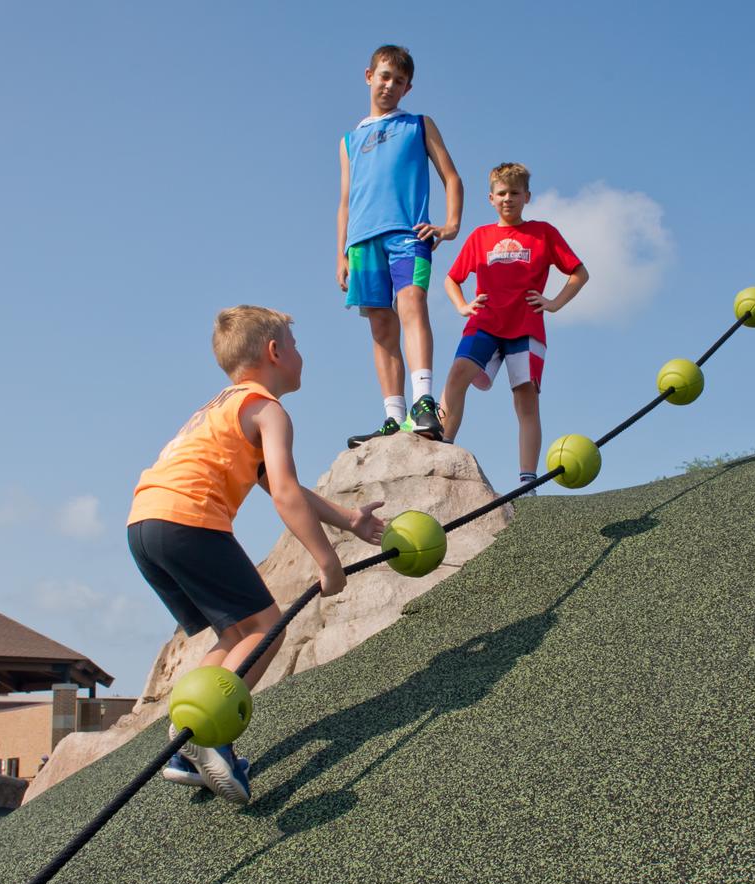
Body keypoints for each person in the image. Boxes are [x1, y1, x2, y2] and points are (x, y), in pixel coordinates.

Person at [128, 306, 387, 804]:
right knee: (270, 627)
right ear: (274, 352)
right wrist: (327, 560)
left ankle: (184, 743)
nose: (300, 355)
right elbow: (286, 494)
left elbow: (281, 487)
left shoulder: (223, 408)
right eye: (294, 344)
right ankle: (210, 734)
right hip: (189, 519)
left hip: (145, 522)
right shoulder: (268, 409)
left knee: (235, 632)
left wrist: (349, 518)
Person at [337, 44, 463, 447]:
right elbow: (345, 199)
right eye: (384, 76)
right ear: (368, 75)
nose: (389, 85)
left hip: (409, 234)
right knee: (379, 325)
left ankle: (423, 402)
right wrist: (340, 253)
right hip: (362, 241)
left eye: (399, 81)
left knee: (412, 304)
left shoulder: (419, 125)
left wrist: (450, 225)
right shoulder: (349, 139)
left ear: (408, 88)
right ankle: (393, 417)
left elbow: (452, 177)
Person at [439, 162, 589, 486]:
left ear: (527, 197)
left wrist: (554, 303)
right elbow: (452, 278)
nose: (508, 198)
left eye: (515, 193)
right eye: (502, 193)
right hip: (485, 321)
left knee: (525, 398)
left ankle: (526, 481)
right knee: (457, 373)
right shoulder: (480, 236)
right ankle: (442, 446)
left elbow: (580, 273)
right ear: (490, 198)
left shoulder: (543, 232)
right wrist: (463, 305)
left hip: (526, 326)